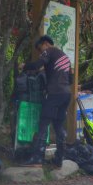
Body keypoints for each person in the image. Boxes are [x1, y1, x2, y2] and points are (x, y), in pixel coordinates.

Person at [20, 35, 71, 167]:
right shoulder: (64, 56)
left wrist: (24, 65)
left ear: (46, 44)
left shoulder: (49, 51)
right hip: (66, 94)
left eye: (40, 49)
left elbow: (38, 64)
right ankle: (59, 158)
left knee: (43, 124)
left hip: (55, 93)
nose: (40, 52)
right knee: (59, 125)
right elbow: (69, 78)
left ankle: (37, 157)